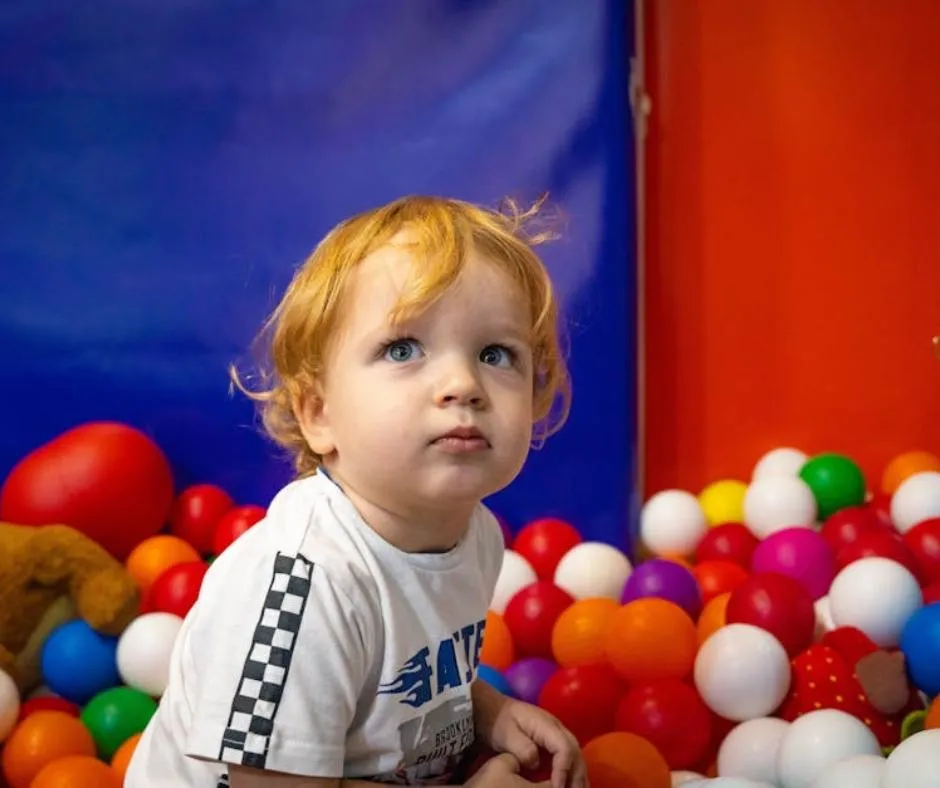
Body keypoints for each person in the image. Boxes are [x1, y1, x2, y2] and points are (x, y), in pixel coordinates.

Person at [126, 195, 586, 788]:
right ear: (319, 414)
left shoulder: (473, 533)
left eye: (496, 354)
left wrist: (488, 714)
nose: (463, 384)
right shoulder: (303, 583)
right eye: (402, 349)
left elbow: (403, 676)